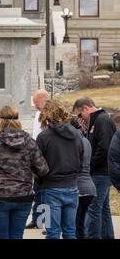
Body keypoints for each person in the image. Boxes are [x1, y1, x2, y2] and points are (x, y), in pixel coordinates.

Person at [0, 105, 49, 239]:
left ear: (0, 121)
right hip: (23, 196)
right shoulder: (29, 141)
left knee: (1, 236)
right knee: (17, 236)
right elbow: (43, 169)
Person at [36, 100, 83, 239]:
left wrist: (40, 181)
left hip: (50, 189)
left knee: (52, 232)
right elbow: (81, 157)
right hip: (72, 186)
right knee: (70, 231)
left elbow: (38, 164)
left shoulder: (43, 137)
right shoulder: (76, 134)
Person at [73, 97, 116, 239]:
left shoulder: (102, 120)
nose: (80, 119)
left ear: (86, 108)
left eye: (80, 115)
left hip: (101, 173)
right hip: (101, 172)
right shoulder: (95, 122)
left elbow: (104, 148)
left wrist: (89, 166)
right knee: (103, 209)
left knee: (93, 209)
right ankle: (107, 235)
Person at [26, 89, 50, 230]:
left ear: (44, 100)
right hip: (36, 157)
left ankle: (45, 222)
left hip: (46, 158)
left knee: (46, 193)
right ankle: (37, 219)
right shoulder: (37, 114)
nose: (35, 105)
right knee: (37, 191)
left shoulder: (51, 115)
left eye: (36, 102)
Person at [69, 117, 97, 239]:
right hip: (89, 188)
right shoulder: (86, 141)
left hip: (78, 188)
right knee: (80, 226)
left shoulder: (74, 142)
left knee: (74, 226)